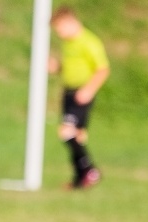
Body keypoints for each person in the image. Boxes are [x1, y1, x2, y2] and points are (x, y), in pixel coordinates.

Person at [49, 5, 110, 189]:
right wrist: (57, 67)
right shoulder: (68, 43)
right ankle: (80, 178)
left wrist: (89, 89)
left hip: (81, 93)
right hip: (69, 92)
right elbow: (70, 66)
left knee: (66, 132)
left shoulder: (89, 41)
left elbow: (103, 69)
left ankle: (89, 170)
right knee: (77, 137)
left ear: (70, 22)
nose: (59, 33)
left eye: (60, 28)